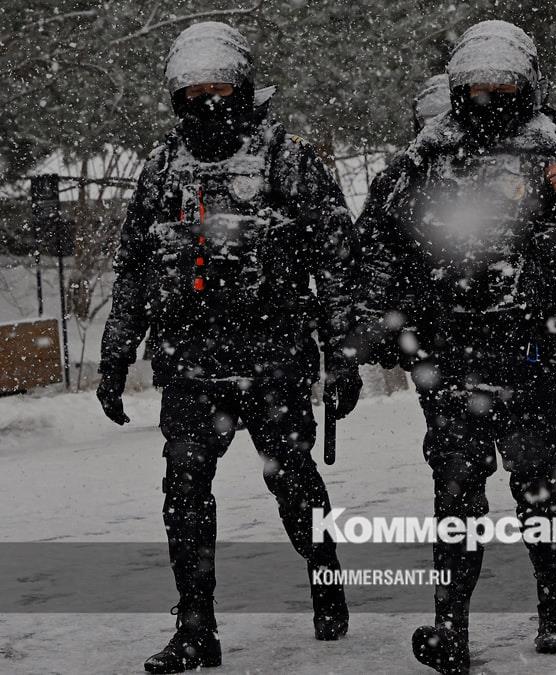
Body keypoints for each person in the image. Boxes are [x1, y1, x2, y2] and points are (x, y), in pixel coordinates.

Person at [354, 21, 556, 675]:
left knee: (535, 485)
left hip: (530, 347)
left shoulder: (553, 145)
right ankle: (450, 627)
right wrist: (378, 322)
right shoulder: (429, 152)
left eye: (501, 87)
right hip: (452, 350)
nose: (489, 99)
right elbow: (378, 240)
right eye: (477, 87)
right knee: (456, 494)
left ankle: (554, 608)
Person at [94, 22, 361, 673]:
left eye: (217, 88)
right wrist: (115, 356)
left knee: (292, 482)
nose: (206, 101)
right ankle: (195, 627)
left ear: (242, 87)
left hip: (273, 359)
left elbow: (337, 262)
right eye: (194, 91)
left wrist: (343, 354)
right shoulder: (163, 168)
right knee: (184, 492)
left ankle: (324, 575)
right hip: (191, 363)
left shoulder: (287, 159)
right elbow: (134, 270)